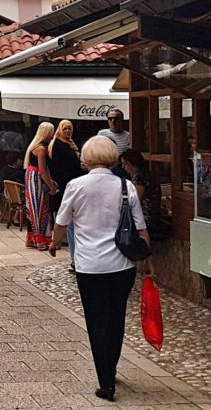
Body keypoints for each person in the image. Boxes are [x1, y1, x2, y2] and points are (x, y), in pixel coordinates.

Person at [49, 135, 152, 402]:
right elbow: (140, 227)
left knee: (96, 320)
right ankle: (112, 366)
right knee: (116, 317)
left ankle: (105, 381)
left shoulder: (76, 186)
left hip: (90, 264)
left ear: (86, 157)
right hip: (121, 264)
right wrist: (148, 260)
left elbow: (62, 221)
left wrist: (53, 244)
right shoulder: (125, 185)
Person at [49, 120, 84, 261]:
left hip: (74, 183)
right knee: (66, 218)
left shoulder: (70, 143)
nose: (68, 131)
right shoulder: (58, 144)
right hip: (66, 185)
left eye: (70, 128)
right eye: (65, 129)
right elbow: (60, 166)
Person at [23, 122, 57, 250]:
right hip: (36, 177)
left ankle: (32, 238)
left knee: (33, 207)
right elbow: (42, 170)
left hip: (31, 175)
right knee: (39, 207)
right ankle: (40, 239)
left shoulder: (34, 146)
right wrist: (51, 185)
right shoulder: (41, 149)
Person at [119, 150, 162, 235]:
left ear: (133, 163)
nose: (123, 167)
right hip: (152, 215)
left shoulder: (139, 177)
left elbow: (136, 199)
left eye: (125, 164)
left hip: (146, 217)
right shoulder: (146, 173)